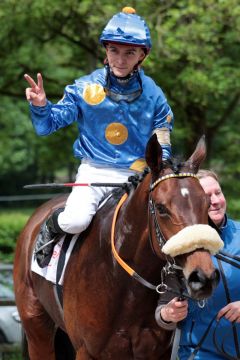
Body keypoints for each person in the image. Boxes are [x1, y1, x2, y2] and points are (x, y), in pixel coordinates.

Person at [24, 7, 174, 267]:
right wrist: (40, 106)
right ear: (105, 50)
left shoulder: (155, 95)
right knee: (76, 221)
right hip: (94, 172)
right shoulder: (83, 87)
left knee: (167, 224)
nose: (120, 59)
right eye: (114, 50)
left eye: (129, 52)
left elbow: (163, 144)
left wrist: (156, 171)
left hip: (137, 176)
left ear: (142, 55)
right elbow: (46, 127)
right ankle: (51, 226)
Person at [155, 169, 240, 359]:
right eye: (207, 196)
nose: (215, 201)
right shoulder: (178, 246)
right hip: (200, 354)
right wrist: (168, 314)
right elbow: (162, 312)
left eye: (218, 192)